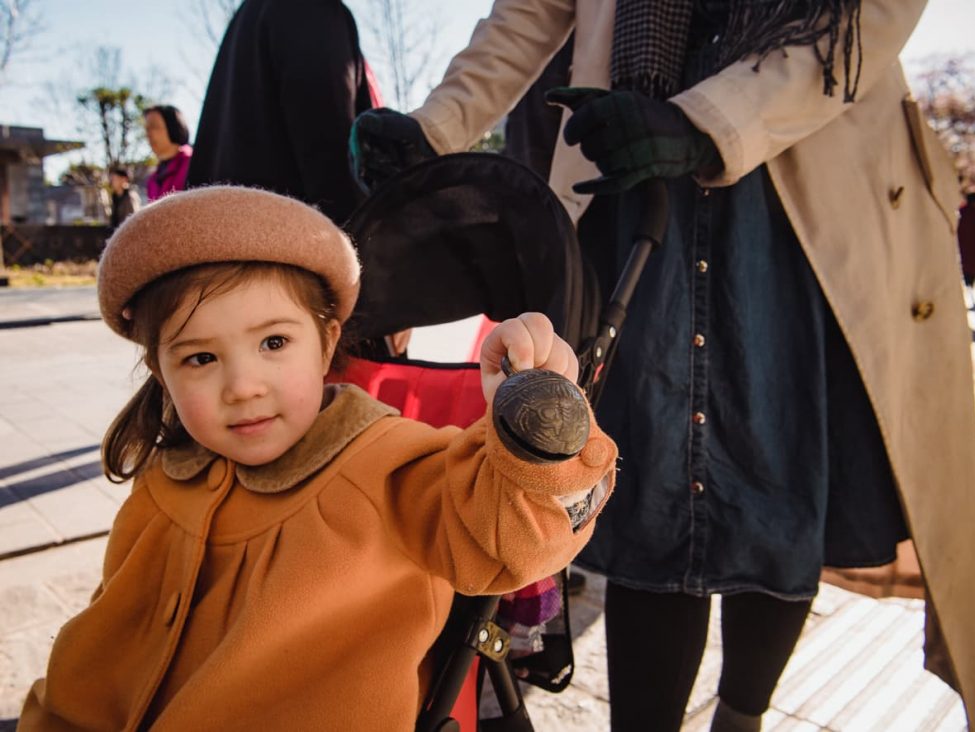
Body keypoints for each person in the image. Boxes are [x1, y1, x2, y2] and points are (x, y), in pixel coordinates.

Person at [349, 2, 975, 730]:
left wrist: (708, 123)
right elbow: (528, 12)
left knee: (782, 478)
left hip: (794, 180)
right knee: (650, 489)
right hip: (633, 171)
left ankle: (741, 719)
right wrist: (437, 125)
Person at [18, 186, 616, 731]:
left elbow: (508, 539)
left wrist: (532, 432)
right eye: (200, 359)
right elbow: (98, 649)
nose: (243, 386)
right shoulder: (161, 484)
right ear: (161, 373)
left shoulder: (385, 464)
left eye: (274, 343)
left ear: (327, 342)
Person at [186, 0, 379, 227]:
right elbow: (330, 156)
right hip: (293, 243)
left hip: (230, 237)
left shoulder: (249, 16)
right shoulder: (310, 10)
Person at [144, 105, 192, 201]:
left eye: (154, 127)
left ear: (173, 127)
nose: (148, 134)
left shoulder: (192, 163)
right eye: (146, 129)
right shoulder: (152, 179)